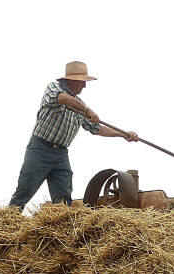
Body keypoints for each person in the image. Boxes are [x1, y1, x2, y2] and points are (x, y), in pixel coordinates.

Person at [9, 61, 139, 211]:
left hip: (61, 154)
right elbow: (63, 99)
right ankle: (9, 218)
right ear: (73, 80)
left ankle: (61, 222)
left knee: (64, 196)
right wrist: (87, 110)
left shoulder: (80, 104)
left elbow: (97, 129)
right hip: (40, 149)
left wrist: (123, 134)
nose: (85, 86)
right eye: (83, 81)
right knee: (24, 191)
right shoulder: (54, 88)